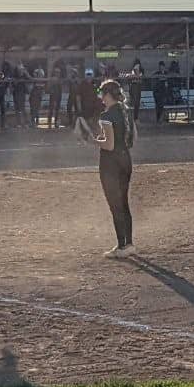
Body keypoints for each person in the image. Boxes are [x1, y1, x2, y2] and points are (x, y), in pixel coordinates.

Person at [78, 79, 135, 256]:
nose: (101, 98)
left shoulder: (107, 116)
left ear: (108, 95)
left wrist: (92, 141)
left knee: (115, 205)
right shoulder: (126, 111)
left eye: (102, 94)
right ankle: (129, 244)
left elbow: (109, 145)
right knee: (124, 204)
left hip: (111, 164)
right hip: (125, 160)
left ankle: (121, 246)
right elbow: (130, 139)